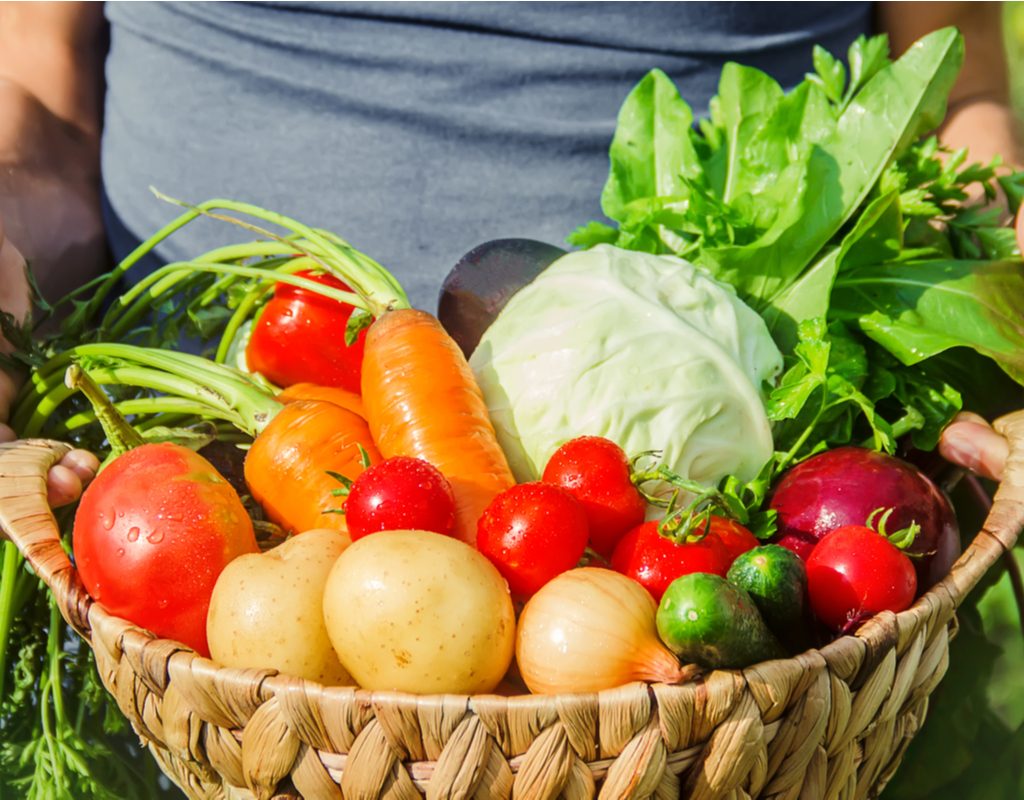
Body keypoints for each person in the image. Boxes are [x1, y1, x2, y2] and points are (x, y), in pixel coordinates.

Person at [0, 1, 1016, 504]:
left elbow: (951, 85)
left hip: (748, 565)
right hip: (198, 535)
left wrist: (1006, 308)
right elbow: (42, 98)